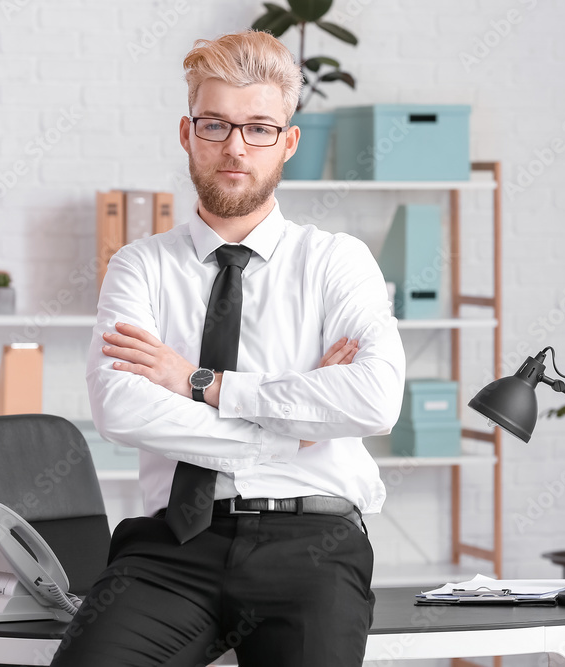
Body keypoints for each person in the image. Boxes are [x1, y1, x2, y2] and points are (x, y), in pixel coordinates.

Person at [51, 30, 405, 667]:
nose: (236, 147)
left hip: (314, 543)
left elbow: (373, 401)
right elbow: (122, 409)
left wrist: (200, 382)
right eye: (214, 125)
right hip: (168, 551)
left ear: (287, 142)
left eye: (259, 128)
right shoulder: (138, 268)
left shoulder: (337, 263)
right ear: (187, 134)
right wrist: (292, 428)